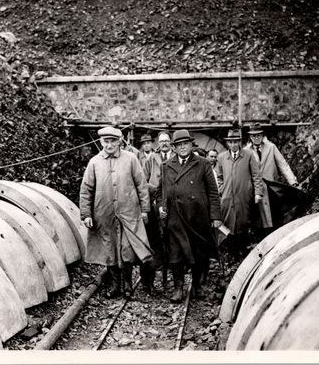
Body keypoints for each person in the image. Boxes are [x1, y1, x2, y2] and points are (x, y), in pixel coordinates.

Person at [80, 126, 152, 299]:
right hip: (104, 215)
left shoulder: (130, 159)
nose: (109, 145)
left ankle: (127, 284)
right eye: (106, 141)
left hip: (128, 213)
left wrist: (145, 210)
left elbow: (141, 186)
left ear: (120, 141)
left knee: (127, 250)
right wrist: (86, 214)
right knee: (109, 249)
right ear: (101, 142)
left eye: (113, 141)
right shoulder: (95, 162)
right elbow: (86, 189)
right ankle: (114, 285)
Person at [157, 129, 222, 302]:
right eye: (179, 145)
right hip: (175, 218)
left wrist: (215, 216)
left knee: (199, 253)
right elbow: (160, 192)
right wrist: (161, 206)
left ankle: (197, 286)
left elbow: (213, 192)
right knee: (175, 254)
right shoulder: (166, 166)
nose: (183, 147)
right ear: (175, 148)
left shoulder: (203, 164)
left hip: (197, 217)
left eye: (185, 143)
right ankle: (178, 288)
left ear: (191, 145)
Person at [244, 122, 298, 237]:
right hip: (255, 189)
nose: (256, 138)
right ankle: (260, 242)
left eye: (258, 135)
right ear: (250, 137)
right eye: (253, 136)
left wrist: (292, 181)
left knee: (275, 215)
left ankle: (277, 238)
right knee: (258, 219)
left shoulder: (271, 147)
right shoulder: (246, 151)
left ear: (262, 135)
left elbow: (283, 165)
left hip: (271, 186)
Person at [217, 129, 263, 259]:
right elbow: (219, 176)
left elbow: (256, 175)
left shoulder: (248, 155)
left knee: (243, 223)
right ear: (228, 144)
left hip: (244, 197)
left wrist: (257, 193)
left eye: (236, 142)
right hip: (227, 198)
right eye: (230, 142)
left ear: (240, 142)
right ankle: (232, 254)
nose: (233, 145)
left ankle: (244, 253)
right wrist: (222, 189)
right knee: (228, 224)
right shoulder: (222, 157)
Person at [140, 131, 172, 293]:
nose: (164, 144)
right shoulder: (151, 159)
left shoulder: (176, 158)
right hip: (153, 206)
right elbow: (142, 182)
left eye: (167, 141)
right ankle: (149, 281)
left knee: (171, 241)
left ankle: (171, 278)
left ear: (171, 142)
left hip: (171, 205)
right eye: (161, 141)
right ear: (158, 143)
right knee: (153, 242)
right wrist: (152, 193)